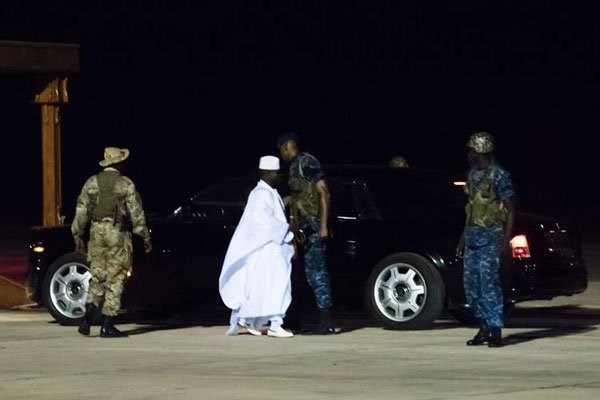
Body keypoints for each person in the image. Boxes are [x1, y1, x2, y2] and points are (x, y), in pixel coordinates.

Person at [72, 147, 152, 338]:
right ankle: (108, 323)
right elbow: (137, 215)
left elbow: (81, 213)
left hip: (96, 232)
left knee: (98, 275)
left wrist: (78, 235)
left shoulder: (92, 182)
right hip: (117, 233)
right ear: (120, 164)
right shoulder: (125, 184)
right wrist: (146, 239)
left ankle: (87, 318)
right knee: (116, 277)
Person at [219, 155, 295, 338]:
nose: (279, 176)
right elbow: (263, 222)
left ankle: (252, 320)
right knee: (278, 286)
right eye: (276, 173)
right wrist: (287, 228)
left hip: (271, 248)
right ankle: (276, 324)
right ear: (267, 173)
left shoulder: (268, 192)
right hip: (269, 248)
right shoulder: (261, 194)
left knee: (264, 286)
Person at [456, 132, 515, 348]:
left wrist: (505, 241)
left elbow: (510, 209)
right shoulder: (472, 175)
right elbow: (470, 211)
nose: (469, 154)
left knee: (489, 285)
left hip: (491, 238)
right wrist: (462, 240)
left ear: (480, 150)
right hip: (472, 237)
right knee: (472, 286)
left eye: (472, 150)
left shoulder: (499, 175)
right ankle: (483, 327)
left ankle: (495, 329)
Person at [278, 132, 336, 334]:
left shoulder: (307, 162)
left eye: (281, 151)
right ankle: (300, 320)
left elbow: (324, 192)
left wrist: (323, 225)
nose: (282, 155)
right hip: (301, 228)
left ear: (287, 147)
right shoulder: (295, 167)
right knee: (302, 276)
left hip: (312, 227)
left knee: (317, 274)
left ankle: (326, 322)